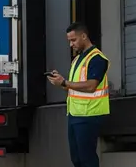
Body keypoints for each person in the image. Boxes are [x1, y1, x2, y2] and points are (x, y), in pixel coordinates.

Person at [47, 22, 110, 167]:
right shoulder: (77, 60)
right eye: (69, 41)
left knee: (87, 160)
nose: (71, 44)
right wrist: (60, 82)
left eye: (73, 40)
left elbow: (91, 86)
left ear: (84, 36)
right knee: (77, 159)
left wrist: (64, 83)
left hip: (89, 115)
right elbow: (72, 88)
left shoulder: (97, 58)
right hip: (75, 115)